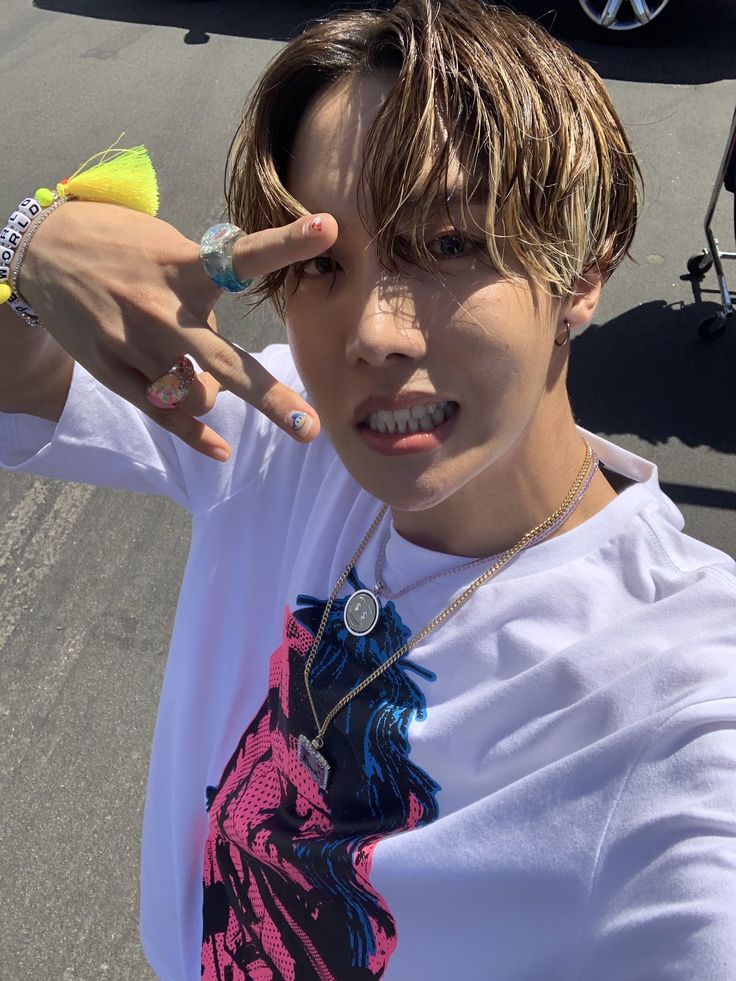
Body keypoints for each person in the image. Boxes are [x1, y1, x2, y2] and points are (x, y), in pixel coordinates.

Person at [1, 1, 734, 978]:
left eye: (447, 246)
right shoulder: (282, 431)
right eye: (322, 263)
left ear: (583, 268)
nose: (374, 332)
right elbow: (24, 388)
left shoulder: (676, 707)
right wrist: (32, 248)